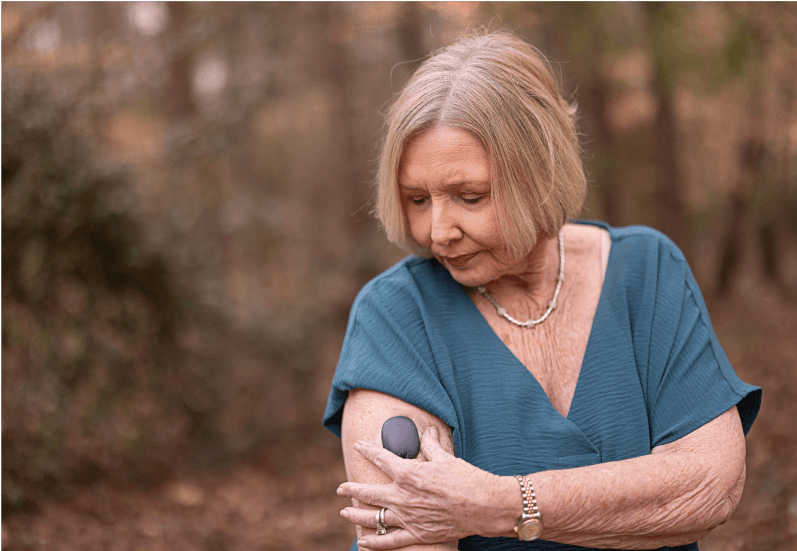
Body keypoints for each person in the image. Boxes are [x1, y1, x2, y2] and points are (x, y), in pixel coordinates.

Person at [322, 30, 761, 551]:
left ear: (541, 173)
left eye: (470, 196)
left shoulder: (646, 271)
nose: (438, 231)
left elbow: (710, 486)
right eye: (418, 199)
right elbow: (404, 535)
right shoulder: (394, 316)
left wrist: (500, 504)